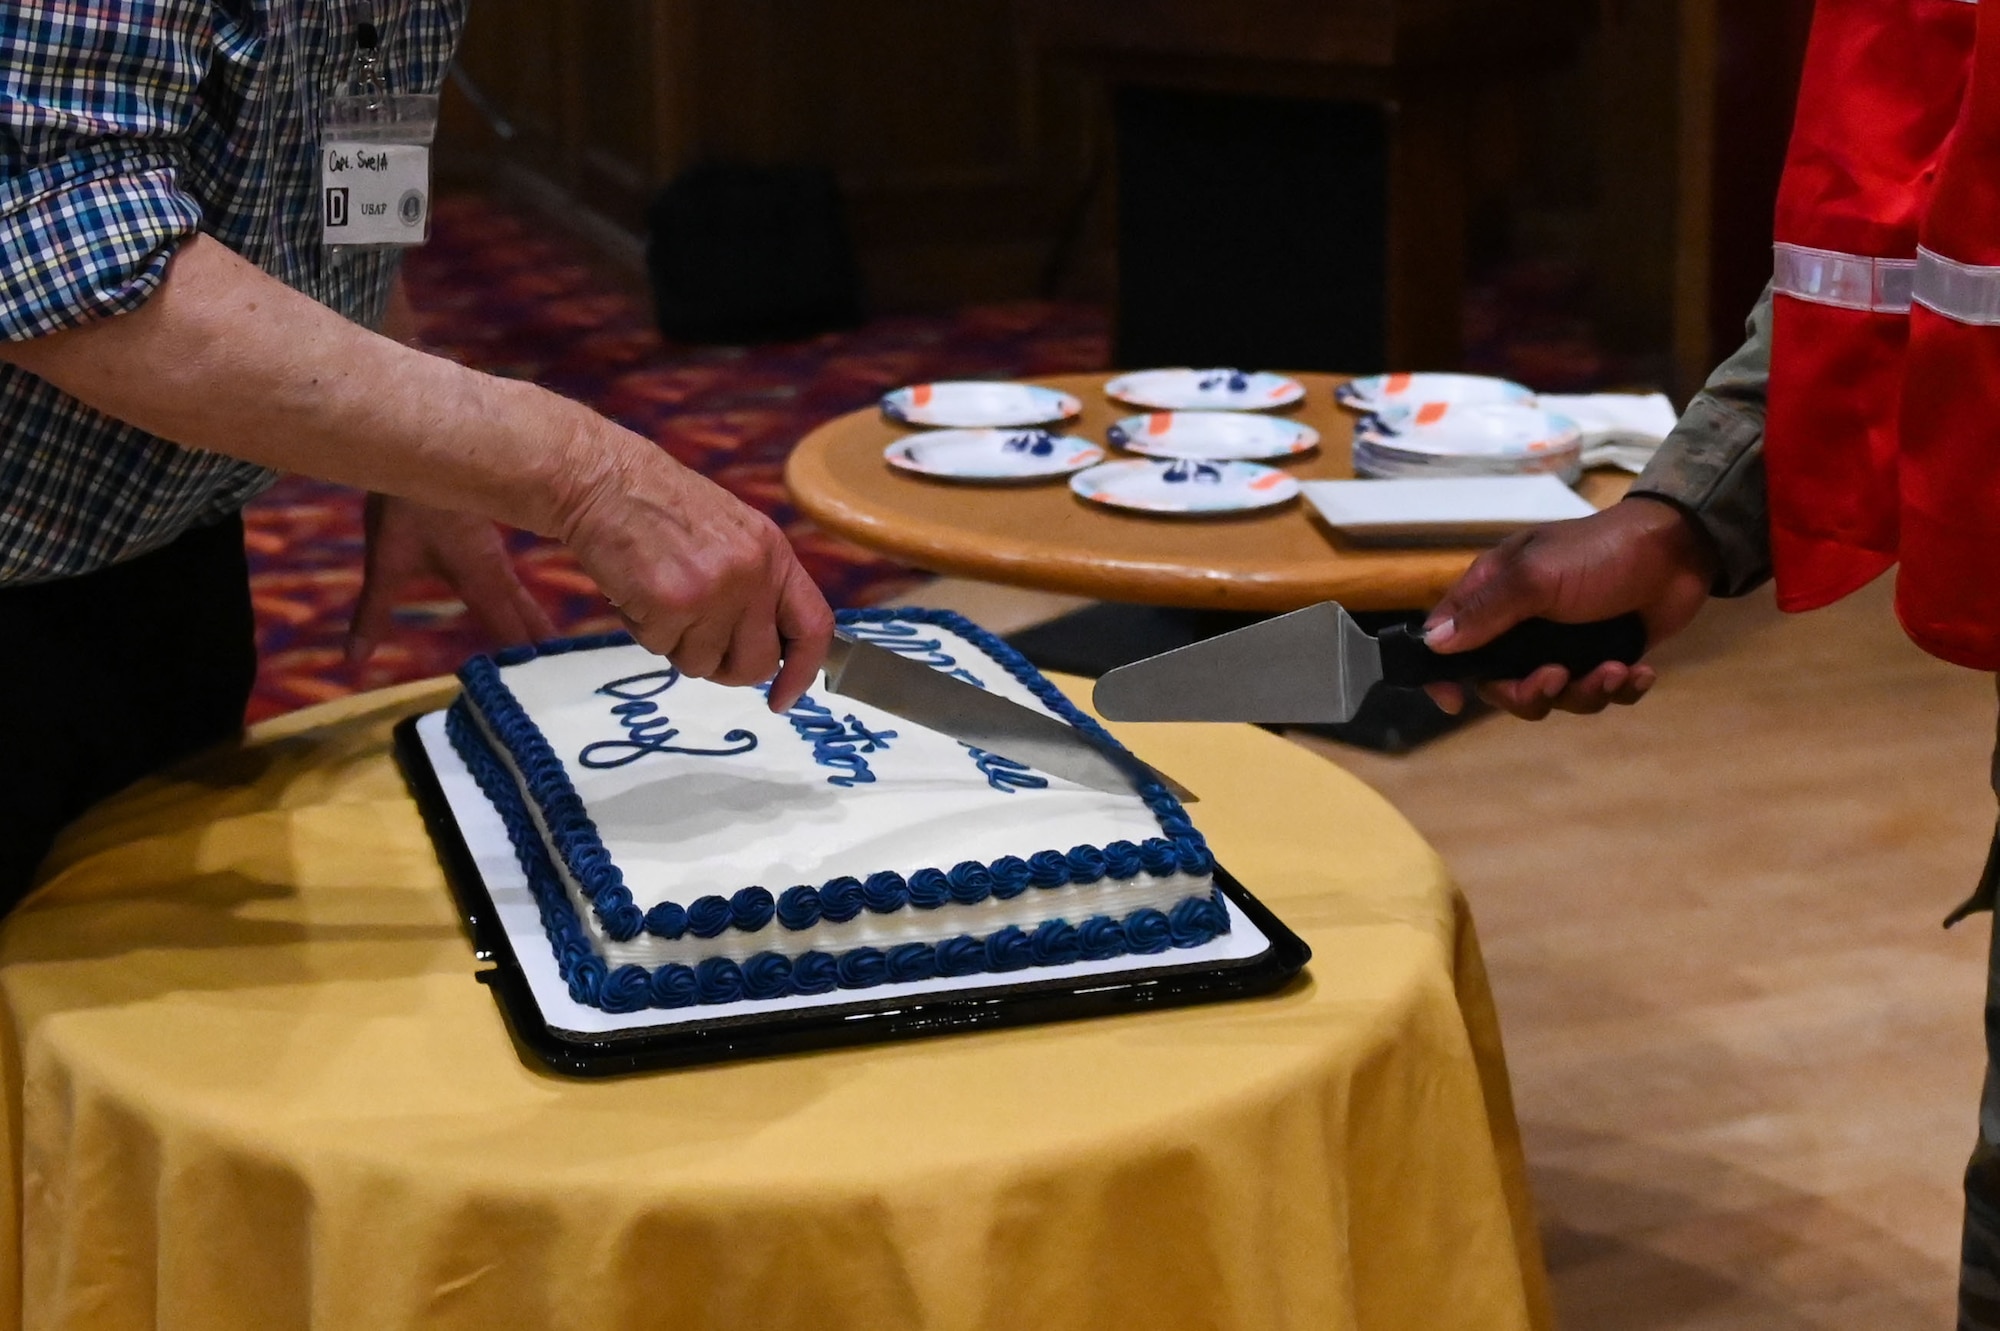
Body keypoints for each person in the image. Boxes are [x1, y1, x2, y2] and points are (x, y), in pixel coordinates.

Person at [0, 6, 833, 903]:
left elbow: (357, 153)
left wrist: (417, 443)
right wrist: (587, 474)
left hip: (165, 554)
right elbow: (64, 252)